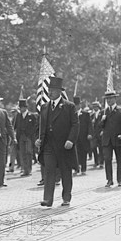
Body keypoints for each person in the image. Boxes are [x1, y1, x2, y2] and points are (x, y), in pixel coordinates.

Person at [35, 77, 79, 207]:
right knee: (49, 171)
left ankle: (66, 197)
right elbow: (39, 127)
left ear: (60, 91)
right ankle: (48, 199)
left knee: (66, 172)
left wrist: (71, 140)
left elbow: (75, 125)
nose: (50, 92)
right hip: (48, 146)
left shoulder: (69, 106)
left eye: (53, 90)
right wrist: (37, 140)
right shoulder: (44, 107)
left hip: (64, 146)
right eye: (49, 90)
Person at [99, 90, 121, 187]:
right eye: (107, 99)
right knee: (107, 159)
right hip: (107, 140)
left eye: (111, 98)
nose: (109, 100)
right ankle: (109, 180)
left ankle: (119, 179)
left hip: (118, 138)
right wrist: (102, 120)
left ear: (115, 99)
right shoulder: (104, 112)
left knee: (120, 159)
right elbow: (100, 126)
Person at [13, 98, 38, 177]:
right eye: (20, 107)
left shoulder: (32, 116)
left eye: (22, 107)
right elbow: (15, 126)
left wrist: (31, 134)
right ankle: (24, 169)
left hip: (29, 137)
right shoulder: (18, 116)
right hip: (21, 137)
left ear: (26, 107)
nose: (21, 109)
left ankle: (29, 169)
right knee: (22, 153)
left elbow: (35, 126)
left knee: (29, 153)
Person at [74, 96, 93, 176]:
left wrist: (89, 133)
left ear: (80, 105)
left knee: (83, 153)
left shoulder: (85, 114)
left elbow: (89, 124)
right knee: (75, 153)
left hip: (83, 136)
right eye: (75, 105)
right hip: (75, 137)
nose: (76, 106)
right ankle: (76, 168)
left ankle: (83, 168)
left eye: (78, 104)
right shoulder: (72, 114)